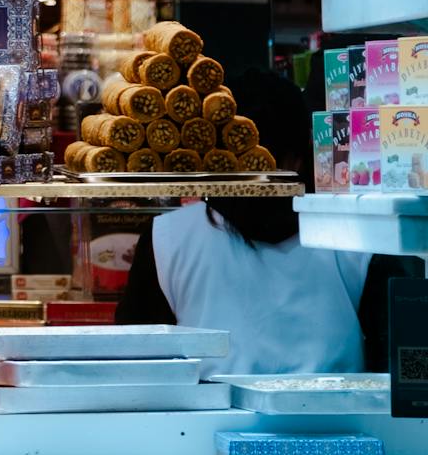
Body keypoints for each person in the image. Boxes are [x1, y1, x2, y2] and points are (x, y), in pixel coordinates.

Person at [117, 67, 420, 375]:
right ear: (301, 157)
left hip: (203, 420)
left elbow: (135, 370)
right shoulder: (358, 238)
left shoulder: (169, 240)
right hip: (338, 419)